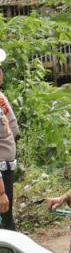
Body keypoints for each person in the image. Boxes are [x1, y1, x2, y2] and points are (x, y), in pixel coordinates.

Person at [0, 49, 18, 231]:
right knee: (7, 226)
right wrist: (1, 191)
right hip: (1, 173)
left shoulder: (0, 97)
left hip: (6, 168)